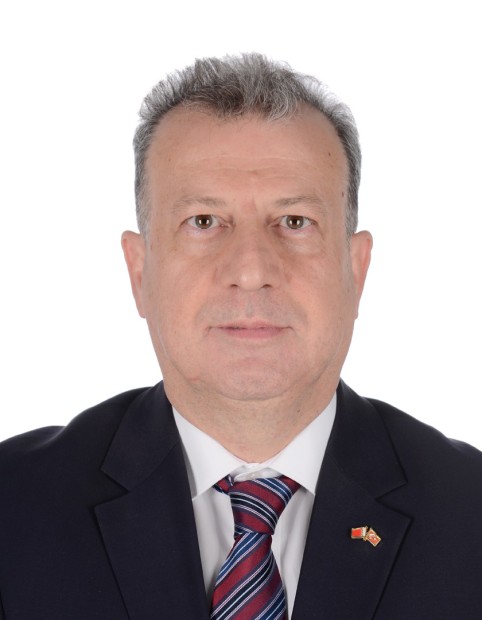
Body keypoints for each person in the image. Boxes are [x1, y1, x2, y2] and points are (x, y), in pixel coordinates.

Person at [1, 53, 481, 620]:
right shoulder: (13, 506)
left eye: (295, 222)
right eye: (204, 222)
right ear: (139, 271)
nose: (251, 270)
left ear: (356, 270)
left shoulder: (469, 512)